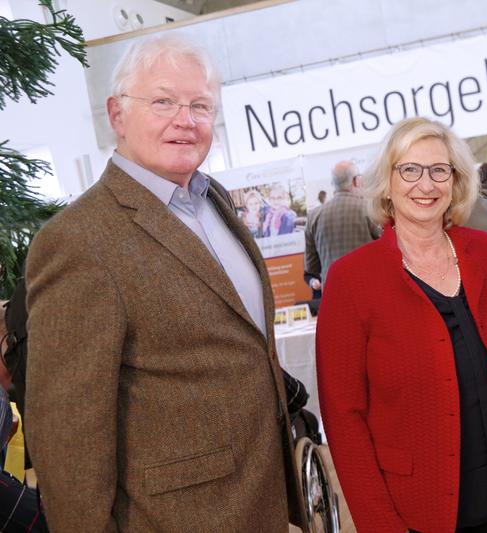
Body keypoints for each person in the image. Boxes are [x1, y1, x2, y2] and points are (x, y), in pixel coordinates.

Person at [24, 34, 305, 532]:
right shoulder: (78, 240)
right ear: (116, 115)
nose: (186, 119)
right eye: (163, 101)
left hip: (259, 500)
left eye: (200, 105)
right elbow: (68, 436)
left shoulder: (212, 199)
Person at [317, 117, 487, 533]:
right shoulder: (352, 280)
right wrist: (380, 524)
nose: (426, 184)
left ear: (455, 182)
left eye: (440, 170)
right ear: (387, 181)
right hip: (420, 512)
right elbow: (344, 418)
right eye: (410, 170)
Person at [304, 160, 380, 290]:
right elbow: (389, 248)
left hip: (333, 293)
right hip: (368, 289)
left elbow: (312, 267)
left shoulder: (313, 216)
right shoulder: (370, 209)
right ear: (356, 181)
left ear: (334, 184)